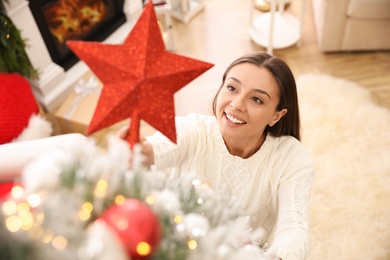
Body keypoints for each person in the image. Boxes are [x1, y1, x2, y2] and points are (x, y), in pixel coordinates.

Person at [117, 52, 314, 260]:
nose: (237, 104)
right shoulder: (194, 129)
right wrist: (144, 152)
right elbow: (159, 148)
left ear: (277, 115)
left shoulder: (292, 158)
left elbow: (295, 227)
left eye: (256, 99)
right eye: (232, 88)